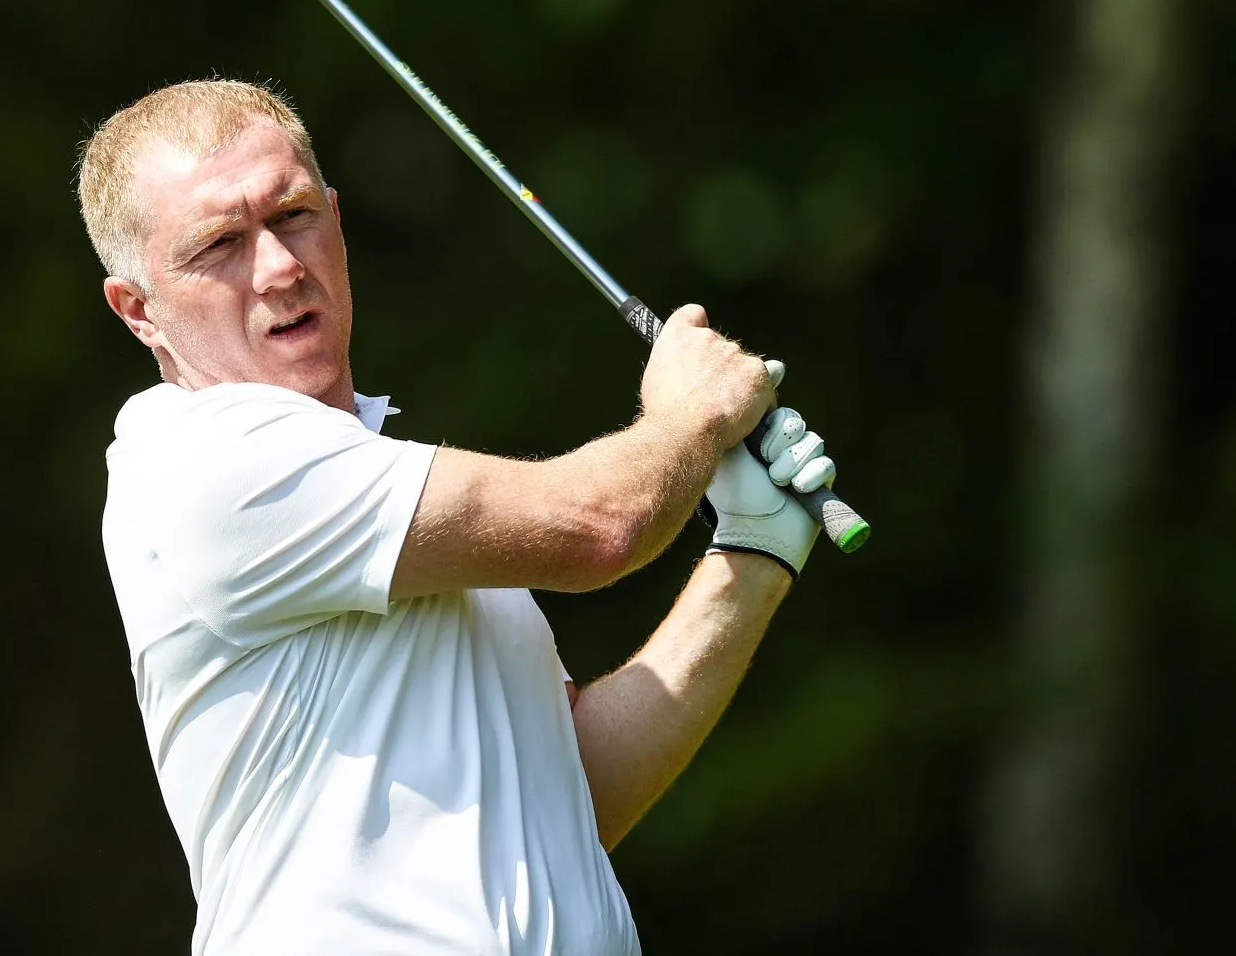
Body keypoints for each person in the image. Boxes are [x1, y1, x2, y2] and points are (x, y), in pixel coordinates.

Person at [80, 80, 840, 956]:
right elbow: (603, 523)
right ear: (138, 309)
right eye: (220, 243)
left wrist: (753, 549)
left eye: (293, 215)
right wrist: (691, 414)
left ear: (336, 219)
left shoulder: (382, 487)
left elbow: (569, 797)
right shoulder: (203, 459)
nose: (280, 266)